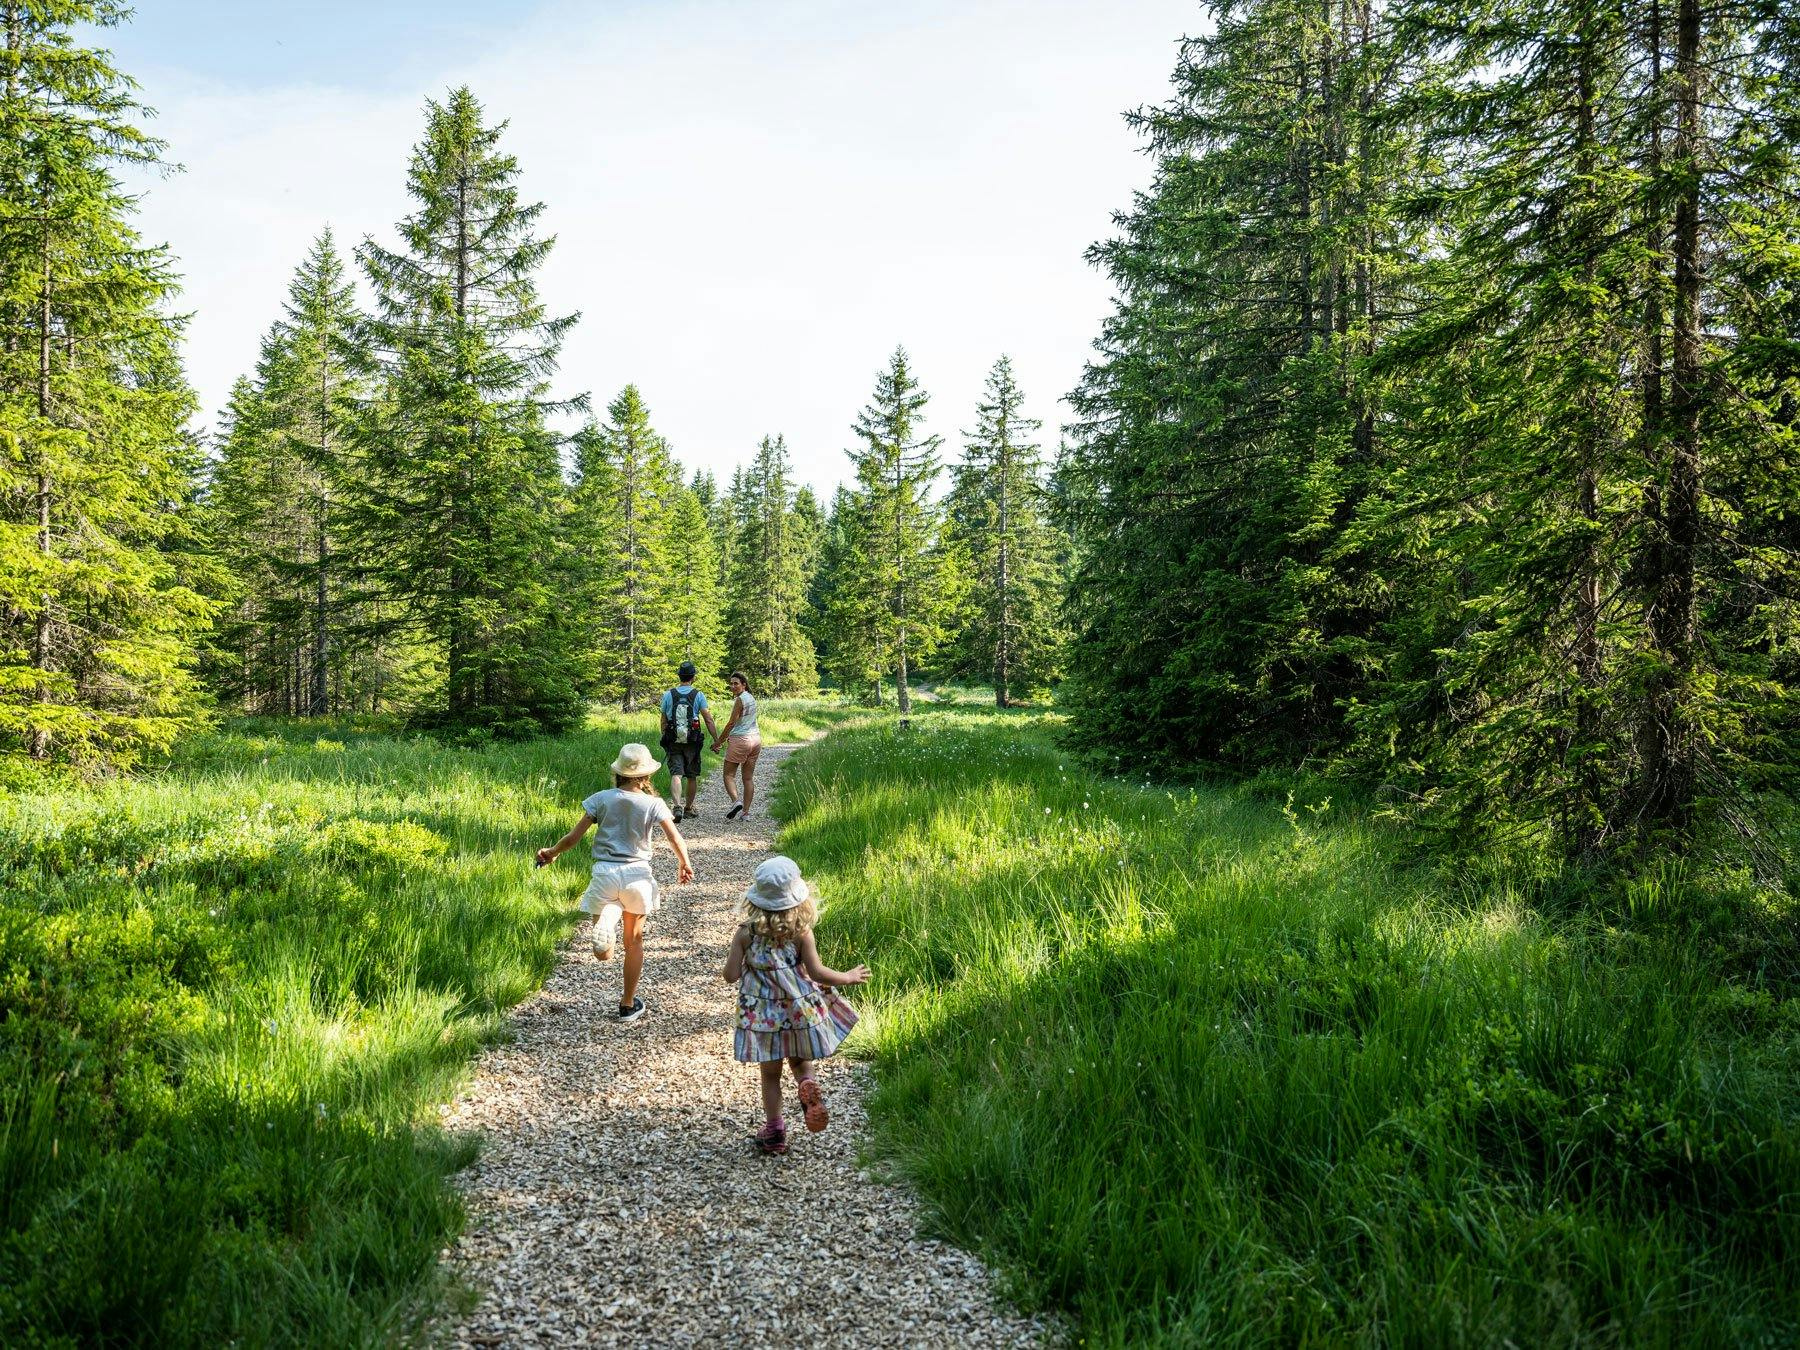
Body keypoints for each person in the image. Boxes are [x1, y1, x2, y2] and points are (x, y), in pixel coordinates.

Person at [536, 742, 694, 1024]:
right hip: (637, 876)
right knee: (633, 942)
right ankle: (627, 1003)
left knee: (604, 953)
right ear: (645, 776)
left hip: (605, 874)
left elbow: (573, 838)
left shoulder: (600, 799)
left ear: (618, 772)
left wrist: (551, 853)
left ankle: (609, 915)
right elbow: (673, 837)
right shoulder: (654, 803)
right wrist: (684, 862)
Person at [721, 855, 868, 1155]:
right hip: (799, 1012)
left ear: (757, 900)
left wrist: (743, 965)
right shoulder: (801, 933)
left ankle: (775, 1131)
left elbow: (730, 975)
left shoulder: (746, 934)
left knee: (771, 1074)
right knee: (800, 1061)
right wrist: (848, 976)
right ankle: (807, 1083)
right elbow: (817, 972)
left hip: (764, 1019)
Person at [659, 660, 718, 822]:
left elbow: (663, 720)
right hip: (692, 740)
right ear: (693, 677)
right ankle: (688, 808)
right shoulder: (698, 695)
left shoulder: (668, 695)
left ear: (680, 676)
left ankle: (677, 806)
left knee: (676, 774)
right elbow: (708, 719)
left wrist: (665, 736)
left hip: (673, 740)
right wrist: (716, 739)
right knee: (692, 775)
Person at [711, 670, 762, 819]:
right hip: (756, 740)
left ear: (744, 685)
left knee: (728, 774)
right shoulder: (751, 698)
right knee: (748, 778)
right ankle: (746, 813)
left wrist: (718, 742)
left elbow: (732, 723)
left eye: (736, 683)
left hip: (741, 740)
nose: (733, 686)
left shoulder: (740, 700)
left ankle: (736, 802)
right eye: (731, 683)